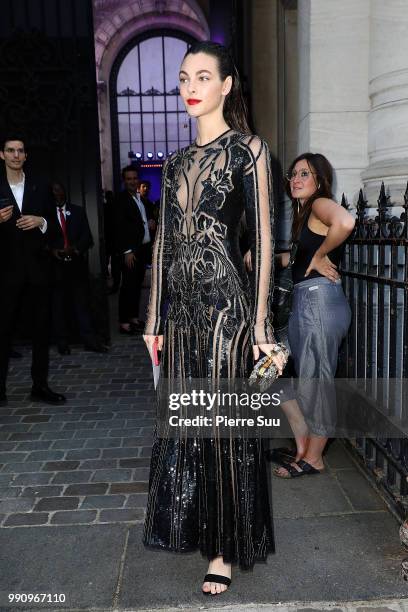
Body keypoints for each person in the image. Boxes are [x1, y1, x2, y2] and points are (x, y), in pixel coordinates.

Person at [142, 41, 286, 596]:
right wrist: (154, 319)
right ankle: (201, 527)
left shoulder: (250, 150)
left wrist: (262, 328)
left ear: (227, 85)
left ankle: (223, 550)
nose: (190, 86)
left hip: (227, 310)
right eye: (183, 78)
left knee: (224, 430)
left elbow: (267, 240)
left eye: (203, 76)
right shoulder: (175, 161)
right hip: (181, 318)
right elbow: (161, 244)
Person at [273, 153, 355, 478]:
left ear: (319, 179)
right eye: (293, 174)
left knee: (317, 381)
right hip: (303, 305)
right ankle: (303, 442)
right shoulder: (303, 214)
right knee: (268, 373)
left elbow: (346, 222)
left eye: (304, 173)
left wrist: (321, 254)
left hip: (319, 304)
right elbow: (296, 260)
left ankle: (314, 457)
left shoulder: (320, 203)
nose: (295, 179)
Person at [0, 136, 66, 406]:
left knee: (41, 331)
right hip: (5, 272)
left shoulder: (40, 186)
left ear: (26, 156)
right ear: (2, 155)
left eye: (20, 151)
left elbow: (54, 223)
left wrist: (41, 221)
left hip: (38, 270)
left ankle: (40, 386)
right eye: (10, 150)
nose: (16, 155)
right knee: (2, 331)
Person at [47, 181, 108, 355]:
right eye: (53, 192)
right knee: (58, 307)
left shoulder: (78, 211)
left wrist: (74, 249)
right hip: (55, 267)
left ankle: (90, 341)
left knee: (82, 305)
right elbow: (40, 240)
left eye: (59, 191)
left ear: (64, 193)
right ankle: (62, 344)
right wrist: (53, 251)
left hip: (76, 266)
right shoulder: (46, 214)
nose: (57, 194)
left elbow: (88, 238)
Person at [115, 167, 155, 334]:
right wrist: (127, 251)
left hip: (142, 249)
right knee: (127, 287)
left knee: (136, 286)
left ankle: (132, 317)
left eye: (134, 178)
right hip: (130, 252)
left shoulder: (141, 199)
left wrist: (152, 220)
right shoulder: (120, 200)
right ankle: (124, 322)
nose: (132, 181)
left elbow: (145, 220)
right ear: (124, 181)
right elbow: (118, 228)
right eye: (129, 179)